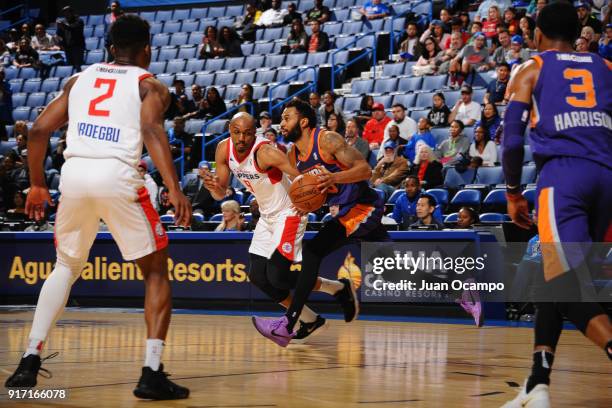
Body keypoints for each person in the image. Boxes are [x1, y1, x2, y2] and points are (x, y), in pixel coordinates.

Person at [3, 15, 192, 399]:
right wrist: (174, 188)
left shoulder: (78, 79)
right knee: (155, 270)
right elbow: (154, 130)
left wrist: (38, 184)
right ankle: (151, 372)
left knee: (65, 266)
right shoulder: (150, 85)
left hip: (73, 175)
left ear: (109, 48)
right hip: (117, 174)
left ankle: (29, 358)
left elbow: (39, 130)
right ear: (147, 50)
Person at [501, 3, 612, 406]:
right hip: (605, 178)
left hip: (563, 177)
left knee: (565, 286)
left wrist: (513, 192)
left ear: (537, 34)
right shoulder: (605, 67)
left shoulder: (531, 66)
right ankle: (537, 385)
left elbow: (512, 139)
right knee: (554, 278)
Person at [203, 112, 357, 344]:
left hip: (289, 212)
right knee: (258, 276)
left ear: (255, 132)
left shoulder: (266, 152)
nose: (242, 138)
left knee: (277, 276)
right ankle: (312, 317)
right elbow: (220, 192)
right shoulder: (223, 149)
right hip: (267, 216)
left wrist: (317, 197)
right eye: (237, 132)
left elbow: (304, 179)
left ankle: (336, 290)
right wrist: (213, 187)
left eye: (247, 133)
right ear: (229, 130)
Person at [251, 99, 390, 347]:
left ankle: (289, 322)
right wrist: (299, 204)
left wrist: (334, 176)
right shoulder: (293, 155)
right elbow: (304, 192)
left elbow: (365, 170)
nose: (281, 123)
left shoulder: (327, 140)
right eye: (281, 119)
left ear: (303, 121)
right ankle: (461, 291)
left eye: (287, 118)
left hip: (363, 207)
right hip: (342, 212)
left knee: (313, 253)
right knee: (395, 263)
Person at [56, 6, 85, 70]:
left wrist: (63, 25)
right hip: (67, 47)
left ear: (72, 12)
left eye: (67, 12)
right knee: (70, 66)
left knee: (78, 65)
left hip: (77, 47)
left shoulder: (79, 21)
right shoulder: (63, 22)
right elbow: (59, 33)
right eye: (64, 12)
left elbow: (72, 28)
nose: (66, 14)